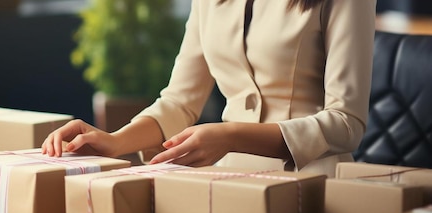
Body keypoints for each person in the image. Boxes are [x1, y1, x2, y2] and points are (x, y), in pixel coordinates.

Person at [42, 0, 376, 177]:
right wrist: (116, 142)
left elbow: (346, 124)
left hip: (312, 185)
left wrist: (231, 136)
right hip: (227, 182)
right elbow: (179, 102)